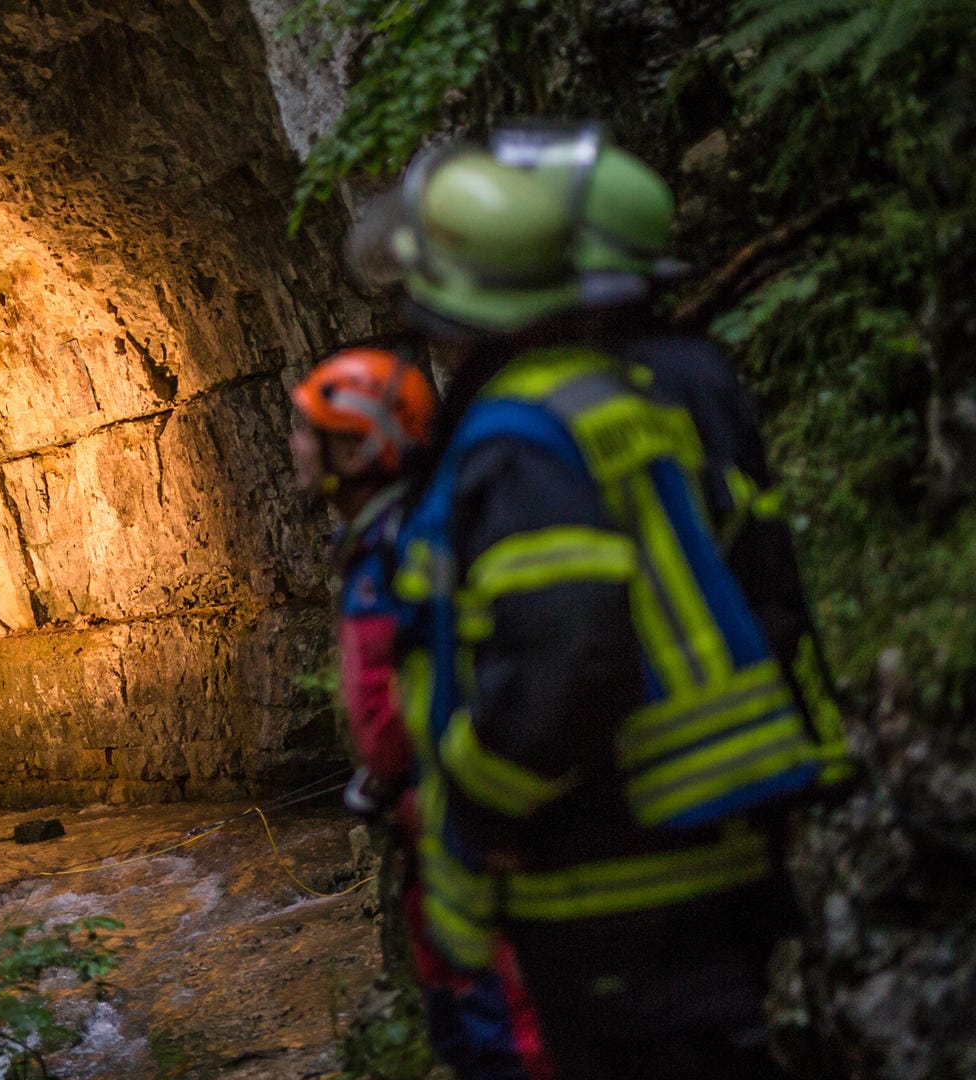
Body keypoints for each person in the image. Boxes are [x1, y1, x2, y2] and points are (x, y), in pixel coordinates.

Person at [378, 144, 844, 1080]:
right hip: (707, 833)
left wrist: (477, 798)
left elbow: (568, 656)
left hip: (609, 874)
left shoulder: (524, 435)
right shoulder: (622, 396)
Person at [290, 348, 550, 1080]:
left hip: (463, 827)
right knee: (468, 1025)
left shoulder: (401, 545)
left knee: (507, 1033)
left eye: (308, 431)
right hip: (433, 833)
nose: (295, 446)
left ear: (355, 445)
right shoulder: (390, 534)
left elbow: (402, 705)